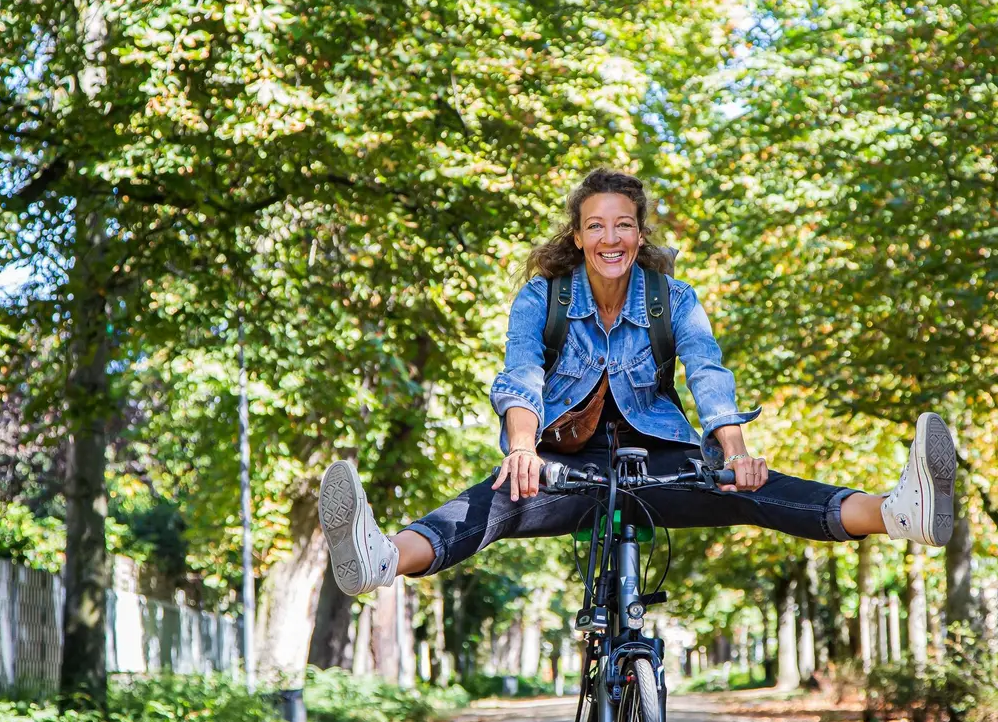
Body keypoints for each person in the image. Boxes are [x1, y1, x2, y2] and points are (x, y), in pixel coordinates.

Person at [318, 168, 958, 596]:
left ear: (640, 232)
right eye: (595, 225)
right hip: (563, 468)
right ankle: (379, 558)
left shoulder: (673, 300)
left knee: (753, 490)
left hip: (659, 463)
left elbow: (708, 373)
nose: (610, 237)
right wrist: (521, 450)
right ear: (578, 237)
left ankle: (902, 513)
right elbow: (521, 376)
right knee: (489, 506)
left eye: (622, 224)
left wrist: (734, 452)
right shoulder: (540, 298)